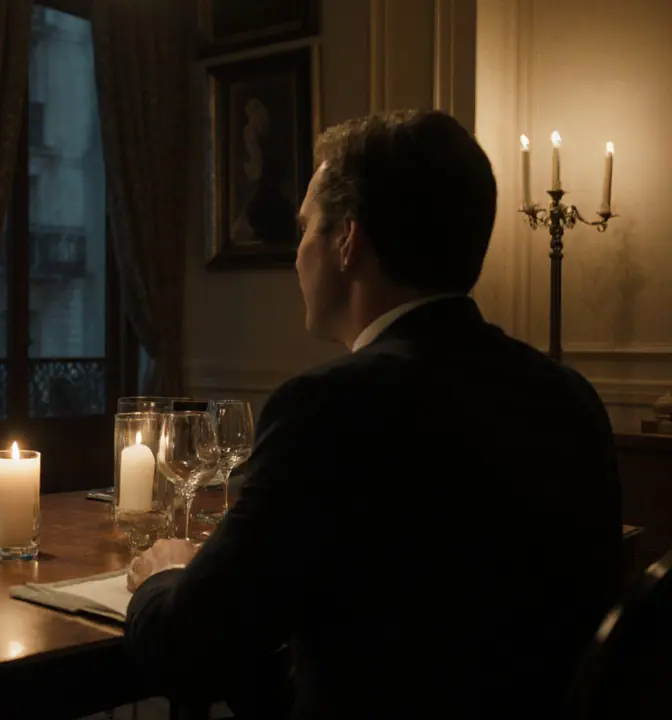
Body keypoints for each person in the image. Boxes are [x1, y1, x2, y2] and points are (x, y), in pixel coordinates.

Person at [125, 110, 623, 718]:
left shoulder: (328, 408)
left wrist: (165, 574)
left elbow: (187, 644)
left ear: (346, 240)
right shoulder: (571, 398)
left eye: (305, 228)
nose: (296, 255)